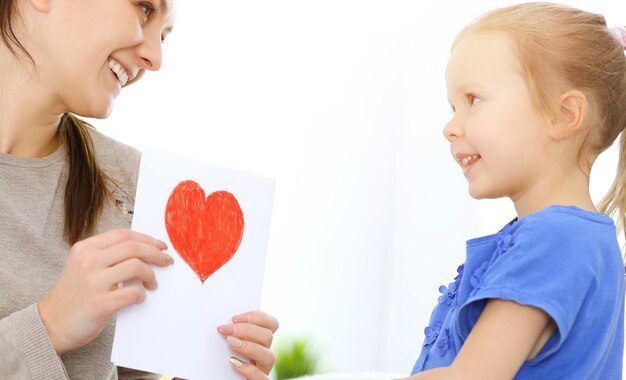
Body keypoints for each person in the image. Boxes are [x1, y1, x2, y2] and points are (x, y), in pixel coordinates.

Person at [0, 0, 278, 379]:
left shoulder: (132, 185)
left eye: (164, 35)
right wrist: (47, 327)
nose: (155, 58)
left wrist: (204, 371)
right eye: (145, 9)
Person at [401, 3, 626, 379]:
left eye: (473, 100)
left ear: (564, 115)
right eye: (452, 107)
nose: (450, 128)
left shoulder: (555, 239)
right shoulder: (573, 239)